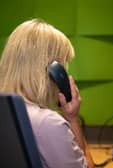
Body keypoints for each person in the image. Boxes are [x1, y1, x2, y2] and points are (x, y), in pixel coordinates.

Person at [0, 19, 94, 168]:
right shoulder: (48, 123)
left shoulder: (8, 113)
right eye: (64, 66)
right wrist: (73, 119)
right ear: (54, 73)